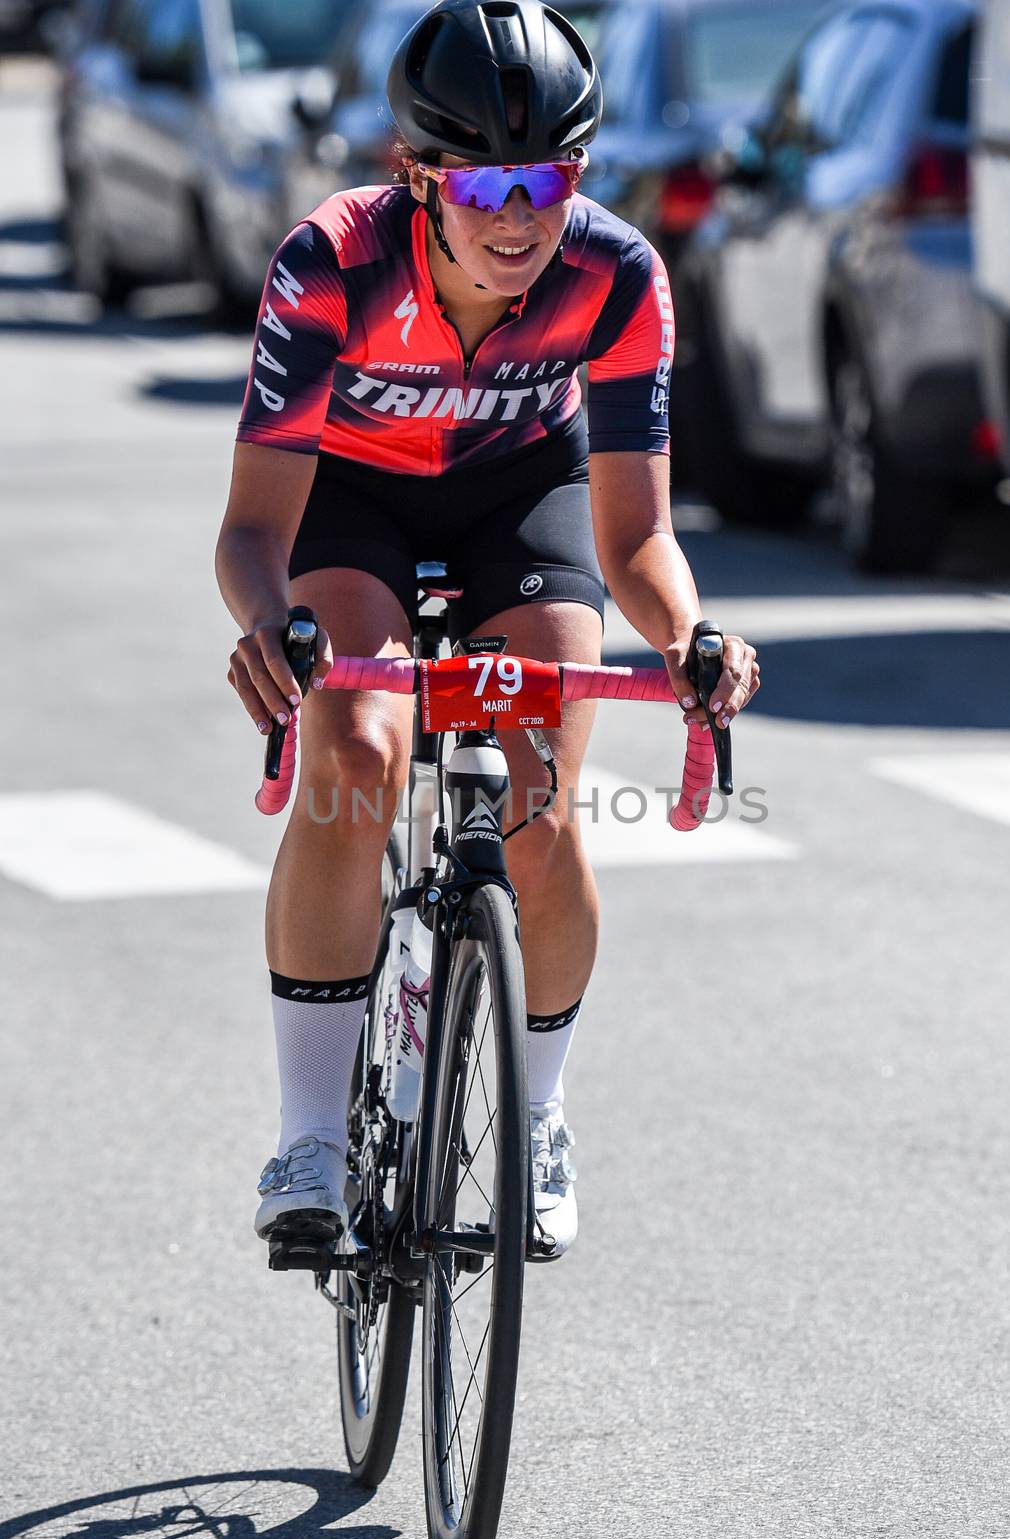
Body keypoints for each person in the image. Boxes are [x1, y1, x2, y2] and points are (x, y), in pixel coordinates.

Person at [215, 0, 760, 1262]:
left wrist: (684, 637)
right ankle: (307, 1132)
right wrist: (270, 628)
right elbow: (253, 531)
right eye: (486, 186)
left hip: (523, 499)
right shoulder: (331, 264)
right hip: (350, 498)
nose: (520, 216)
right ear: (416, 177)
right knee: (355, 754)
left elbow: (633, 538)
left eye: (550, 178)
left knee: (542, 802)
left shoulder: (616, 273)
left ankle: (540, 1108)